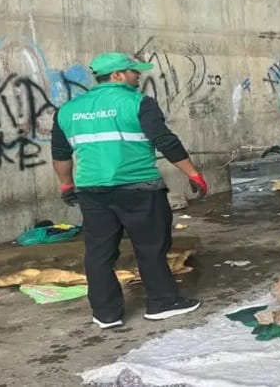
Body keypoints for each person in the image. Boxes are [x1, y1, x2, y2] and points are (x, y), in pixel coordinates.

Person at [51, 52, 206, 329]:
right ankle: (161, 303)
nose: (138, 76)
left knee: (98, 252)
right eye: (134, 72)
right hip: (139, 188)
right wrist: (193, 173)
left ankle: (106, 314)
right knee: (151, 247)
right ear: (117, 75)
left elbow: (61, 153)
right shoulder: (138, 103)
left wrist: (66, 184)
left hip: (92, 191)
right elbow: (165, 141)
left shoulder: (68, 110)